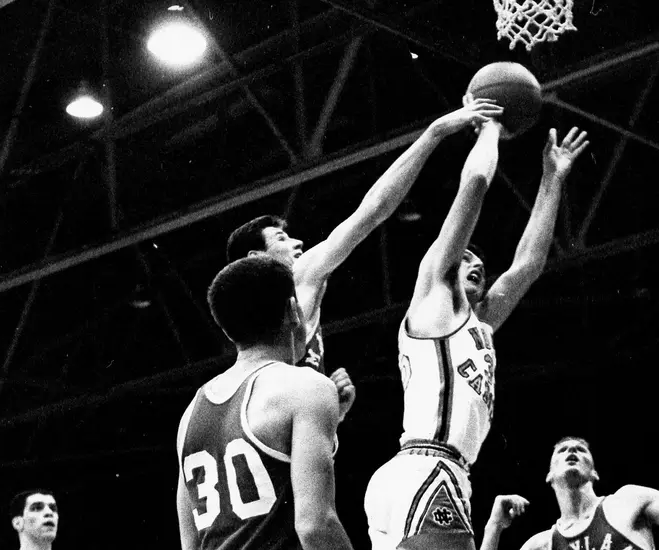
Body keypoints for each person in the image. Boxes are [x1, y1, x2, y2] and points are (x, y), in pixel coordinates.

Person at [363, 107, 590, 550]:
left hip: (422, 472)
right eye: (467, 258)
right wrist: (490, 129)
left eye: (481, 267)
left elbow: (527, 266)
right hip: (428, 466)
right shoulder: (433, 294)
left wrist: (552, 179)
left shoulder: (478, 325)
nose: (476, 264)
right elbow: (477, 183)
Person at [225, 99, 505, 377]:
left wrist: (332, 403)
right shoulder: (296, 279)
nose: (297, 243)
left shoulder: (251, 325)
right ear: (257, 258)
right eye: (280, 239)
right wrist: (434, 132)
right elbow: (373, 209)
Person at [175, 255, 353, 550]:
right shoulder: (307, 386)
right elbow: (315, 526)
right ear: (293, 310)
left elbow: (190, 543)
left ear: (226, 329)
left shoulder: (191, 411)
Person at [484, 390, 659, 550]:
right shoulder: (541, 545)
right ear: (548, 475)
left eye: (581, 450)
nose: (571, 451)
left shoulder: (629, 502)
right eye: (561, 451)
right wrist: (493, 527)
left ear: (595, 473)